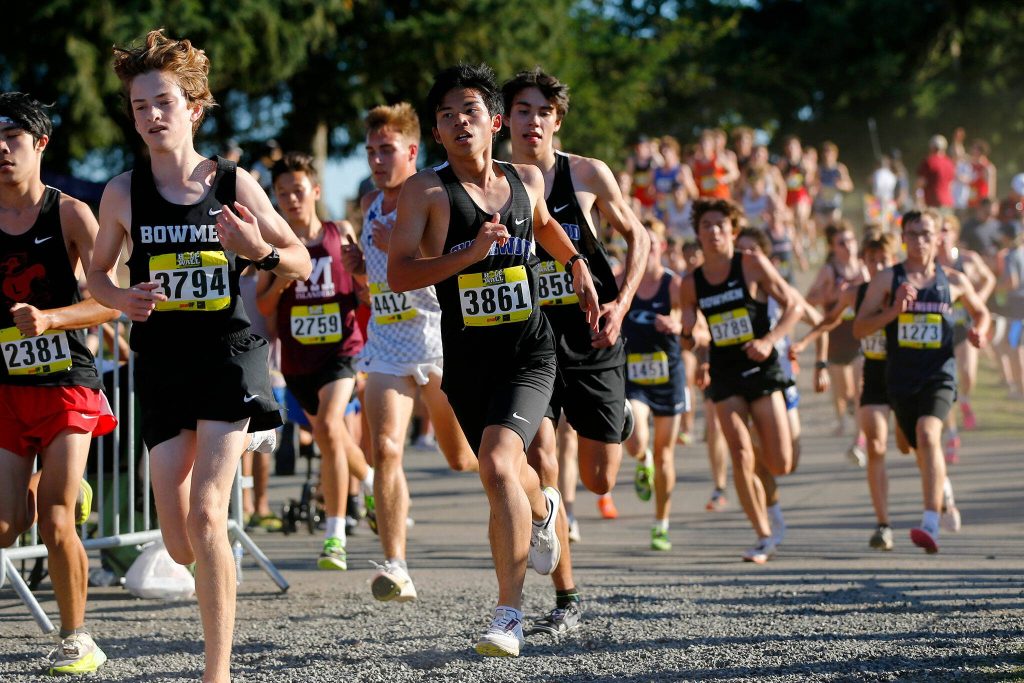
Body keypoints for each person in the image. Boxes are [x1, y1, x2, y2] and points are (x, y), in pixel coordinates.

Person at [88, 31, 311, 683]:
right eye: (139, 106)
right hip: (161, 364)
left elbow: (297, 258)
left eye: (163, 102)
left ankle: (218, 671)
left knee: (210, 513)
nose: (152, 116)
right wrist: (120, 295)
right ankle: (200, 551)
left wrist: (257, 249)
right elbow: (97, 274)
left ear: (193, 106)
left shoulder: (234, 181)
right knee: (182, 537)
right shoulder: (123, 192)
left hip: (228, 355)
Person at [387, 64, 599, 657]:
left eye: (471, 111)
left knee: (501, 464)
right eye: (447, 115)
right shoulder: (425, 192)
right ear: (435, 130)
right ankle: (545, 508)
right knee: (502, 474)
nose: (459, 122)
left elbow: (551, 227)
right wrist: (470, 252)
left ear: (494, 122)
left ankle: (508, 616)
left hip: (530, 351)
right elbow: (401, 273)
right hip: (468, 359)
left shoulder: (525, 178)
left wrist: (577, 265)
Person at [501, 67, 649, 636]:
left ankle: (620, 416)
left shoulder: (585, 173)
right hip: (529, 338)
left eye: (542, 111)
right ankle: (565, 597)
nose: (531, 121)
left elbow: (640, 236)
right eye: (521, 111)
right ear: (505, 120)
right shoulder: (492, 183)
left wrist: (622, 304)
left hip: (593, 334)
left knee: (600, 480)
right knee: (540, 461)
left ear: (556, 121)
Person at [0, 92, 119, 675]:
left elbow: (109, 300)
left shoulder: (69, 213)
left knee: (54, 519)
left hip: (67, 380)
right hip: (6, 387)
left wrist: (51, 319)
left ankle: (78, 639)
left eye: (13, 137)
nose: (1, 149)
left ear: (39, 143)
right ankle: (58, 482)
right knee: (5, 525)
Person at [339, 102, 477, 602]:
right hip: (388, 344)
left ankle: (529, 487)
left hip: (437, 338)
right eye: (371, 150)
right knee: (387, 448)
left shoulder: (433, 198)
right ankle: (396, 566)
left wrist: (405, 247)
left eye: (388, 149)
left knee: (462, 458)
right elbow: (377, 277)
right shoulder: (373, 204)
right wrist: (359, 265)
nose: (377, 159)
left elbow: (449, 269)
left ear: (412, 151)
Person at [257, 151, 375, 570]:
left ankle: (335, 536)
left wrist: (360, 281)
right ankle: (374, 482)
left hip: (341, 351)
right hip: (297, 359)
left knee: (328, 427)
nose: (291, 200)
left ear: (316, 191)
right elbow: (264, 303)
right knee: (332, 438)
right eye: (282, 193)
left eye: (298, 191)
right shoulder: (277, 247)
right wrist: (283, 280)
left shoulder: (338, 231)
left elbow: (364, 285)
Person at [854, 210, 990, 554]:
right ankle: (941, 488)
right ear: (903, 238)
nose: (920, 241)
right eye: (913, 234)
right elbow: (859, 328)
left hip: (939, 374)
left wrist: (979, 331)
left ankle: (930, 522)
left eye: (926, 234)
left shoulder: (954, 280)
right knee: (909, 444)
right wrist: (893, 311)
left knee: (929, 433)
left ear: (938, 238)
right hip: (899, 379)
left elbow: (981, 312)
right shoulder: (887, 279)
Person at [681, 198, 801, 563]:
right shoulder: (691, 283)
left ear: (732, 230)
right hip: (725, 372)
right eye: (706, 226)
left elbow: (793, 305)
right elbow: (693, 335)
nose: (714, 231)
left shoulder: (750, 264)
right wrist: (697, 352)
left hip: (761, 367)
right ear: (698, 234)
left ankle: (767, 480)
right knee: (739, 452)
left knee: (779, 461)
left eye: (720, 225)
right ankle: (763, 536)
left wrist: (768, 341)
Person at [795, 231, 904, 549]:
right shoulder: (854, 293)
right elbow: (827, 320)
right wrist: (803, 343)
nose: (878, 266)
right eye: (872, 261)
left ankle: (941, 490)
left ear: (893, 260)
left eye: (883, 260)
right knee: (876, 445)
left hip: (906, 375)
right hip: (872, 370)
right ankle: (883, 523)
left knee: (916, 443)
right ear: (864, 263)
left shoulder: (906, 292)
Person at [621, 221, 686, 551]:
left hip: (668, 376)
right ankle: (640, 459)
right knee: (636, 442)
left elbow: (697, 329)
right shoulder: (621, 280)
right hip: (633, 378)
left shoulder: (674, 285)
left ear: (660, 249)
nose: (646, 251)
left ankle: (661, 524)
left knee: (665, 455)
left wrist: (677, 324)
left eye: (652, 245)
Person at [805, 221, 869, 459]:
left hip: (859, 339)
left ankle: (858, 438)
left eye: (851, 240)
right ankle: (844, 417)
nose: (848, 246)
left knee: (860, 387)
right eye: (842, 242)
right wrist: (832, 294)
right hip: (835, 339)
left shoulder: (864, 269)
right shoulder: (829, 271)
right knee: (843, 392)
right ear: (833, 247)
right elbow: (808, 299)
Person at [936, 214, 995, 459]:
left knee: (968, 373)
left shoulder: (968, 259)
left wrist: (977, 299)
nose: (942, 234)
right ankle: (951, 435)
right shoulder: (930, 266)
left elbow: (989, 278)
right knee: (947, 384)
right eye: (939, 229)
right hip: (941, 330)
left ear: (955, 233)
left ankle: (967, 400)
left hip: (966, 326)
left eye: (947, 229)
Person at [812, 142, 853, 225]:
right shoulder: (818, 169)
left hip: (834, 203)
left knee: (834, 222)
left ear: (835, 154)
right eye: (825, 152)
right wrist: (816, 188)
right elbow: (813, 185)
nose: (827, 155)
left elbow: (850, 186)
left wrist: (841, 185)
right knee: (821, 226)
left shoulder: (840, 168)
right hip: (821, 203)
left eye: (830, 153)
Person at [916, 135, 956, 211]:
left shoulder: (929, 161)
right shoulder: (949, 163)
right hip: (948, 202)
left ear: (932, 147)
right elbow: (951, 184)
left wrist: (918, 200)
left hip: (933, 202)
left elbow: (920, 182)